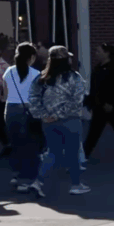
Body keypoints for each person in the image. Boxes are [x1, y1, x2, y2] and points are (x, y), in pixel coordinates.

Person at [28, 46, 90, 197]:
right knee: (73, 153)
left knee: (53, 152)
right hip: (70, 121)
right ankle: (76, 184)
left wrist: (41, 114)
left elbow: (33, 97)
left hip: (48, 122)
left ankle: (39, 182)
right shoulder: (74, 77)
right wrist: (59, 114)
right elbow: (77, 101)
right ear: (65, 60)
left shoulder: (41, 78)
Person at [83, 43, 114, 162]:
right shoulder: (99, 67)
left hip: (112, 105)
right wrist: (91, 100)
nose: (96, 54)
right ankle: (84, 154)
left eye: (99, 51)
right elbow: (95, 86)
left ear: (107, 53)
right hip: (99, 104)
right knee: (95, 131)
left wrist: (110, 103)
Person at [3, 42, 41, 192]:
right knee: (30, 145)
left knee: (16, 143)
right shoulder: (36, 74)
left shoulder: (8, 71)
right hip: (28, 110)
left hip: (10, 110)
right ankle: (27, 179)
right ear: (31, 57)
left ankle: (16, 174)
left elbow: (5, 94)